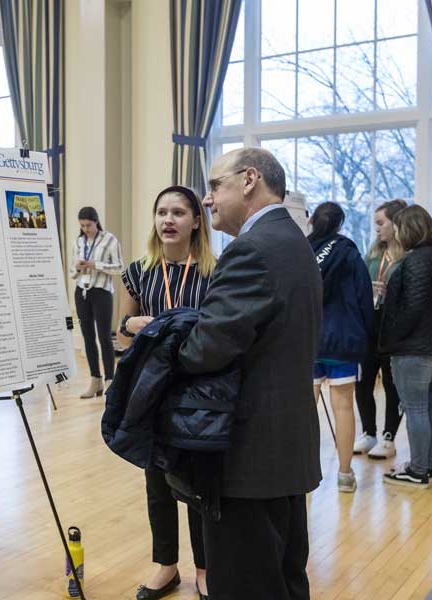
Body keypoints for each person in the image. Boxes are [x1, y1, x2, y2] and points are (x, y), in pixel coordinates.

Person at [176, 148, 322, 599]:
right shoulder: (294, 241)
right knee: (285, 581)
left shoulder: (251, 251)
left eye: (215, 185)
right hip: (284, 452)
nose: (207, 198)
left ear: (249, 180)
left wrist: (166, 335)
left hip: (248, 460)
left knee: (245, 585)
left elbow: (204, 350)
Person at [118, 185, 216, 599]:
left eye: (178, 212)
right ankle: (166, 566)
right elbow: (118, 333)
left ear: (196, 220)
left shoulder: (216, 271)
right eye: (162, 212)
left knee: (197, 485)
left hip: (200, 392)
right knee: (155, 480)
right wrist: (132, 327)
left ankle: (205, 569)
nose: (168, 220)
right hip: (151, 393)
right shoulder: (138, 271)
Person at [379, 205, 432, 488]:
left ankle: (418, 471)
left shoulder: (413, 262)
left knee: (416, 409)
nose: (395, 232)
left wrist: (391, 340)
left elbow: (409, 311)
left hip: (415, 348)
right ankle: (426, 466)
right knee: (428, 408)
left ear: (408, 229)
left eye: (398, 227)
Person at [308, 202, 374, 493]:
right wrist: (369, 338)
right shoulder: (349, 253)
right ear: (340, 224)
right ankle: (345, 475)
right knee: (344, 406)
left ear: (311, 222)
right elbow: (365, 298)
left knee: (304, 408)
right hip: (344, 341)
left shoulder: (302, 252)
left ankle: (302, 474)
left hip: (308, 341)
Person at [354, 199, 407, 459]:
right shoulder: (372, 253)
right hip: (369, 327)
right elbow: (359, 282)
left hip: (393, 331)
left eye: (380, 223)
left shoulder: (406, 256)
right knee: (362, 383)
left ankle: (389, 437)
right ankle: (368, 432)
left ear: (396, 224)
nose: (377, 229)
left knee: (391, 384)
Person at [68, 206, 123, 397]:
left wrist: (96, 265)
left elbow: (119, 268)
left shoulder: (110, 240)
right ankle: (95, 380)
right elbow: (71, 272)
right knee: (88, 338)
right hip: (81, 292)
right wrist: (77, 267)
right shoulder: (78, 242)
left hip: (102, 292)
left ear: (96, 221)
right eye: (82, 225)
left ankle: (110, 380)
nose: (85, 229)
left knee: (104, 337)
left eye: (88, 225)